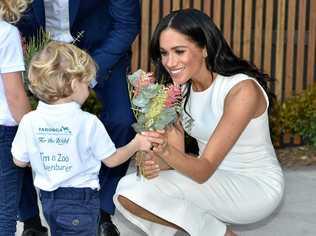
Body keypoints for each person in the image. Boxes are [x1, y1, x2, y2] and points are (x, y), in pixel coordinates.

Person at [113, 9, 284, 236]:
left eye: (179, 51)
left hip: (254, 189)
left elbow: (202, 170)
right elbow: (173, 160)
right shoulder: (179, 91)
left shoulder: (242, 90)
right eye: (164, 53)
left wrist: (164, 151)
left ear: (204, 48)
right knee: (128, 191)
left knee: (135, 190)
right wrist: (151, 160)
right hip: (210, 181)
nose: (169, 62)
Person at [16, 1, 140, 235]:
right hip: (39, 61)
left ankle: (102, 210)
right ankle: (31, 219)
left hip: (98, 57)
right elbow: (14, 17)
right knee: (15, 123)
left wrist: (86, 74)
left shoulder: (83, 87)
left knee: (120, 121)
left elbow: (126, 25)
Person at [0, 1, 38, 235]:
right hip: (4, 131)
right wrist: (31, 132)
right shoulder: (6, 33)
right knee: (4, 211)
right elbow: (14, 95)